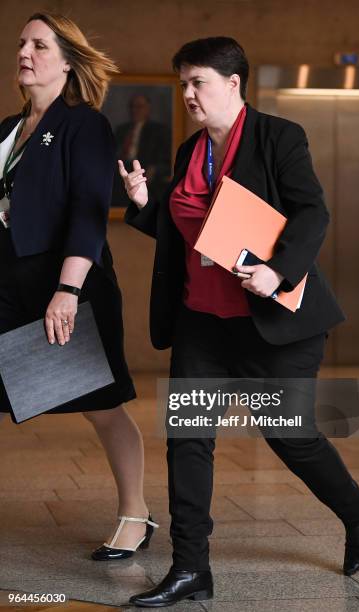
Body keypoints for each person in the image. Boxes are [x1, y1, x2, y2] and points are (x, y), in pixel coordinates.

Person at [120, 37, 359, 607]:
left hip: (272, 318)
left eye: (199, 83)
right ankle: (191, 567)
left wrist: (279, 272)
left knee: (290, 434)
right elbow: (183, 226)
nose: (188, 94)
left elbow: (312, 211)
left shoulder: (278, 137)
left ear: (233, 83)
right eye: (183, 83)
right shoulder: (192, 152)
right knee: (188, 438)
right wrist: (143, 203)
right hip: (203, 321)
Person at [0, 12, 158, 562]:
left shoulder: (83, 124)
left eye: (39, 44)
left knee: (101, 406)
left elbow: (90, 214)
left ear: (67, 61)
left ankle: (135, 514)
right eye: (21, 43)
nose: (25, 51)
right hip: (9, 284)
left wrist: (66, 292)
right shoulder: (5, 130)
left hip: (68, 285)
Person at [111, 94, 171, 206]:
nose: (135, 110)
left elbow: (166, 159)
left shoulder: (159, 130)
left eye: (139, 107)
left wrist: (154, 169)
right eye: (132, 107)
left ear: (148, 109)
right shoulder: (121, 129)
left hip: (145, 170)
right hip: (122, 170)